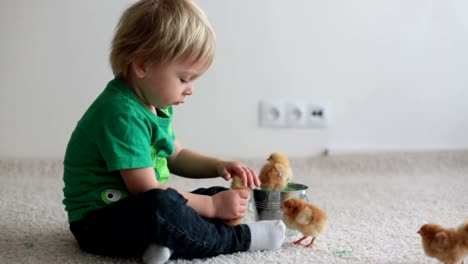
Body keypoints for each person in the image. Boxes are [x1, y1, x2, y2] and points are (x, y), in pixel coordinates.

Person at [62, 0, 286, 263]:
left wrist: (218, 166)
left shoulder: (154, 103)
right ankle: (241, 239)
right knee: (168, 206)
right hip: (99, 224)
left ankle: (165, 242)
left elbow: (175, 155)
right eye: (184, 78)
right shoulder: (120, 113)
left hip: (139, 211)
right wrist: (212, 208)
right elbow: (145, 190)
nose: (190, 89)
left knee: (215, 193)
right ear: (143, 65)